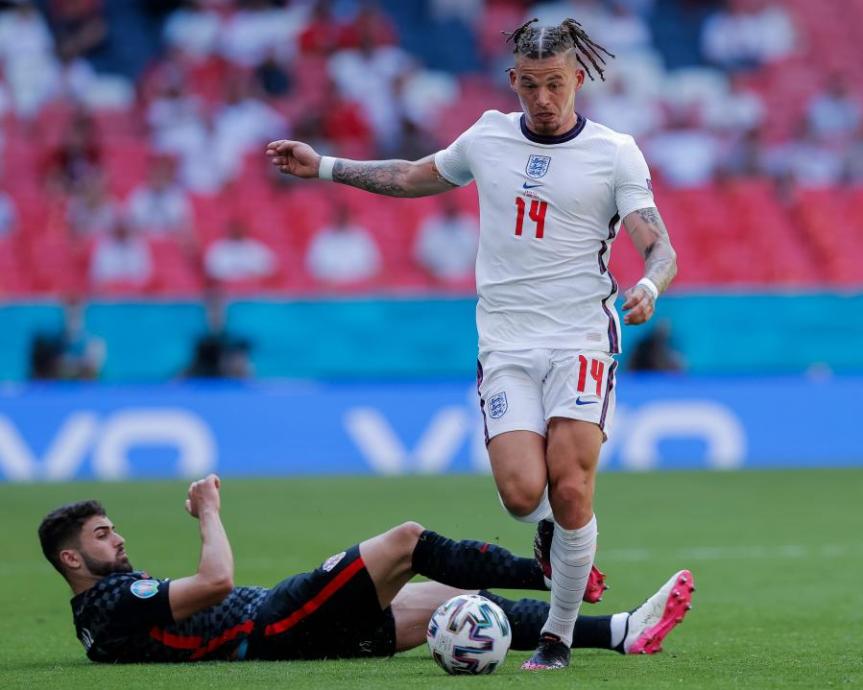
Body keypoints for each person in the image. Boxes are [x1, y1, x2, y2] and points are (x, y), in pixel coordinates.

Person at [266, 17, 679, 670]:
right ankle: (550, 540)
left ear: (578, 79)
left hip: (580, 339)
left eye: (556, 84)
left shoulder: (614, 151)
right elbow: (410, 176)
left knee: (571, 487)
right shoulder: (487, 136)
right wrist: (327, 167)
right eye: (531, 85)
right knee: (522, 495)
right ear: (513, 81)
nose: (544, 99)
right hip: (505, 344)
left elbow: (657, 243)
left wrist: (651, 285)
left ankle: (556, 639)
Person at [39, 475, 695, 664]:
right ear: (72, 559)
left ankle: (620, 631)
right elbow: (215, 582)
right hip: (275, 625)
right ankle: (546, 573)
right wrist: (208, 512)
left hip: (292, 633)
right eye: (102, 535)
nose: (118, 540)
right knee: (406, 541)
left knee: (453, 601)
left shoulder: (99, 617)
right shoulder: (111, 603)